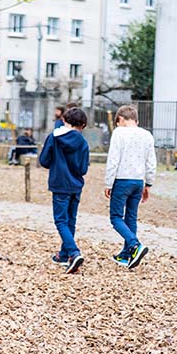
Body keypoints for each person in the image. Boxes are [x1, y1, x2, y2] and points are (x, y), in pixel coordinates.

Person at [103, 105, 156, 270]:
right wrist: (148, 183)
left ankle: (135, 245)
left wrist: (108, 183)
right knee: (131, 218)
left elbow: (113, 160)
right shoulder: (147, 135)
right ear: (136, 119)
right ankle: (126, 255)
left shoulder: (119, 133)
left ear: (120, 119)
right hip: (138, 181)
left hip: (121, 180)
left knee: (116, 218)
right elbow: (151, 162)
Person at [38, 107, 90, 274]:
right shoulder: (83, 142)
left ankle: (74, 252)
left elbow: (44, 160)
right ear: (82, 124)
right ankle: (63, 254)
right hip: (76, 185)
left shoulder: (54, 137)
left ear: (65, 120)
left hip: (60, 183)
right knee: (70, 220)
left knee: (61, 221)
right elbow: (83, 169)